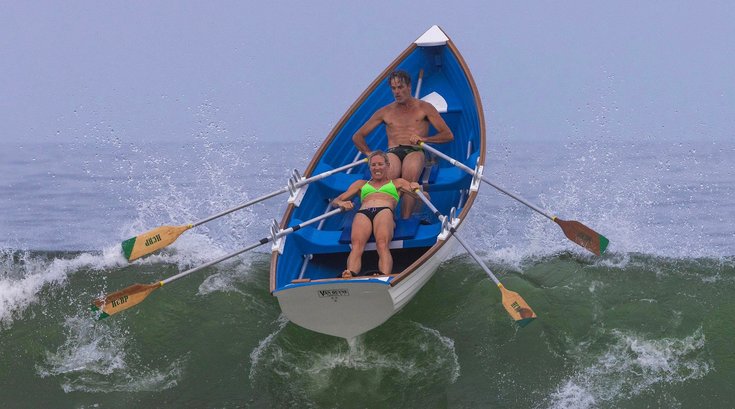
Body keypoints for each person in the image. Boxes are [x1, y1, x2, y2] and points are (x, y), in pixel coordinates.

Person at [351, 70, 453, 219]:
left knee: (409, 175)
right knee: (387, 176)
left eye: (400, 87)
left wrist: (423, 139)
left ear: (409, 87)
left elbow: (447, 135)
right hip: (392, 151)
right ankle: (385, 216)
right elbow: (357, 136)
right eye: (393, 88)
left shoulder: (425, 108)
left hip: (415, 150)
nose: (397, 92)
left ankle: (406, 219)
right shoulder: (385, 112)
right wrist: (370, 154)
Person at [332, 151, 421, 278]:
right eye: (373, 165)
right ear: (369, 168)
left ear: (387, 165)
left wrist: (417, 189)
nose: (377, 168)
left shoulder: (398, 183)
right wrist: (341, 203)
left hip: (384, 211)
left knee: (382, 243)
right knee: (356, 245)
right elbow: (336, 201)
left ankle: (383, 275)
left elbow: (423, 198)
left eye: (380, 164)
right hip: (363, 212)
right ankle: (350, 273)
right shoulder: (361, 184)